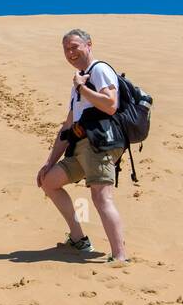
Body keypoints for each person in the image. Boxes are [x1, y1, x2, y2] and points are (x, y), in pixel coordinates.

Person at [35, 29, 130, 266]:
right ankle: (78, 239)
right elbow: (67, 126)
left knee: (101, 196)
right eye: (66, 49)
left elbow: (110, 104)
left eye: (75, 46)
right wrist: (49, 162)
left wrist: (81, 88)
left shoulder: (99, 70)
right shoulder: (80, 78)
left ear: (89, 45)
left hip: (100, 143)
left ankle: (120, 256)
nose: (70, 52)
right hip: (79, 146)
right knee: (49, 182)